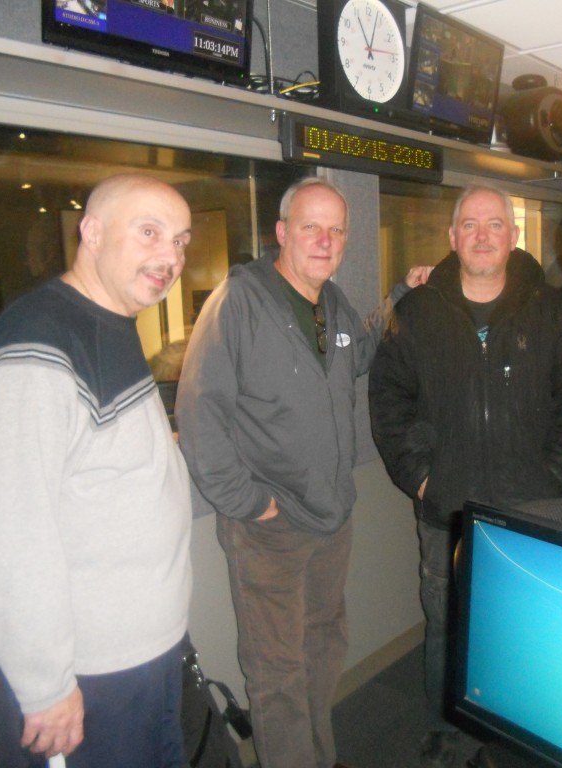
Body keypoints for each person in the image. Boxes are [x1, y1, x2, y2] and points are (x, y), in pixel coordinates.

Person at [175, 176, 430, 768]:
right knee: (277, 671)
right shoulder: (239, 301)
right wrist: (250, 502)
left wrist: (401, 298)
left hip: (330, 518)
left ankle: (318, 756)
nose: (324, 240)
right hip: (270, 528)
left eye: (336, 229)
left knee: (322, 651)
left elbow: (358, 353)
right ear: (282, 232)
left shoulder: (332, 303)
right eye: (311, 227)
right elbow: (199, 413)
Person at [0, 173, 194, 767]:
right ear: (91, 232)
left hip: (140, 656)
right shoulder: (31, 351)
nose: (171, 255)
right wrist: (44, 687)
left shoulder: (108, 323)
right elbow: (6, 532)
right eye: (149, 232)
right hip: (82, 678)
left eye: (182, 240)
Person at [368, 184, 562, 768]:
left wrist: (552, 477)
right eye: (469, 224)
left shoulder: (552, 312)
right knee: (447, 622)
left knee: (528, 624)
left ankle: (528, 730)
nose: (481, 234)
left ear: (513, 236)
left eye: (494, 224)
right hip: (446, 509)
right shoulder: (416, 312)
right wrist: (423, 478)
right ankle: (447, 733)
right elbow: (389, 401)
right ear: (452, 237)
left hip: (531, 509)